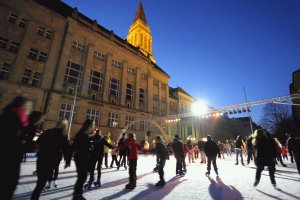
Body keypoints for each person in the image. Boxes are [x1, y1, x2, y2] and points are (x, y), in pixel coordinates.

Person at [0, 96, 33, 199]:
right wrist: (29, 145)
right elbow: (9, 143)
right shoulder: (11, 119)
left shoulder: (18, 120)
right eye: (29, 106)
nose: (30, 109)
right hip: (7, 164)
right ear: (23, 106)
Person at [31, 119, 70, 200]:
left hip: (41, 158)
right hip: (51, 160)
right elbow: (66, 149)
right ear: (65, 126)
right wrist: (67, 161)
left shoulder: (48, 131)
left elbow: (38, 143)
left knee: (40, 182)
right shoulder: (62, 135)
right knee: (41, 183)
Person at [68, 119, 95, 200]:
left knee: (82, 177)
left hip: (83, 158)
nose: (94, 126)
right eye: (93, 124)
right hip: (81, 158)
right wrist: (68, 159)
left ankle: (78, 194)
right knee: (82, 177)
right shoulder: (82, 134)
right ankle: (77, 195)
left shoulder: (84, 134)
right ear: (89, 126)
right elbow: (74, 147)